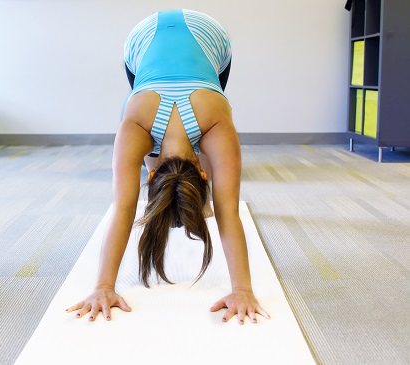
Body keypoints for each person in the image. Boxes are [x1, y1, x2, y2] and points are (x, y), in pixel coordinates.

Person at [66, 9, 270, 325]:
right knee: (200, 147)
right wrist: (242, 288)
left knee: (181, 144)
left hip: (182, 35)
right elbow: (228, 210)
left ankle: (185, 193)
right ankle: (187, 195)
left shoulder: (140, 120)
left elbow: (123, 207)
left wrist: (104, 286)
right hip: (155, 36)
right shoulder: (207, 119)